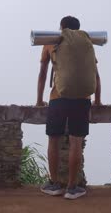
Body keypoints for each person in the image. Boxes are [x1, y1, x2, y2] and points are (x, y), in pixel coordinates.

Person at [36, 16, 102, 200]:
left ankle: (54, 184)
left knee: (54, 141)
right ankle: (72, 188)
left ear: (61, 28)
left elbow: (42, 73)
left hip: (58, 98)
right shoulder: (86, 43)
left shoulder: (52, 42)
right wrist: (97, 100)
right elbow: (95, 75)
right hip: (82, 99)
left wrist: (39, 99)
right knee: (76, 143)